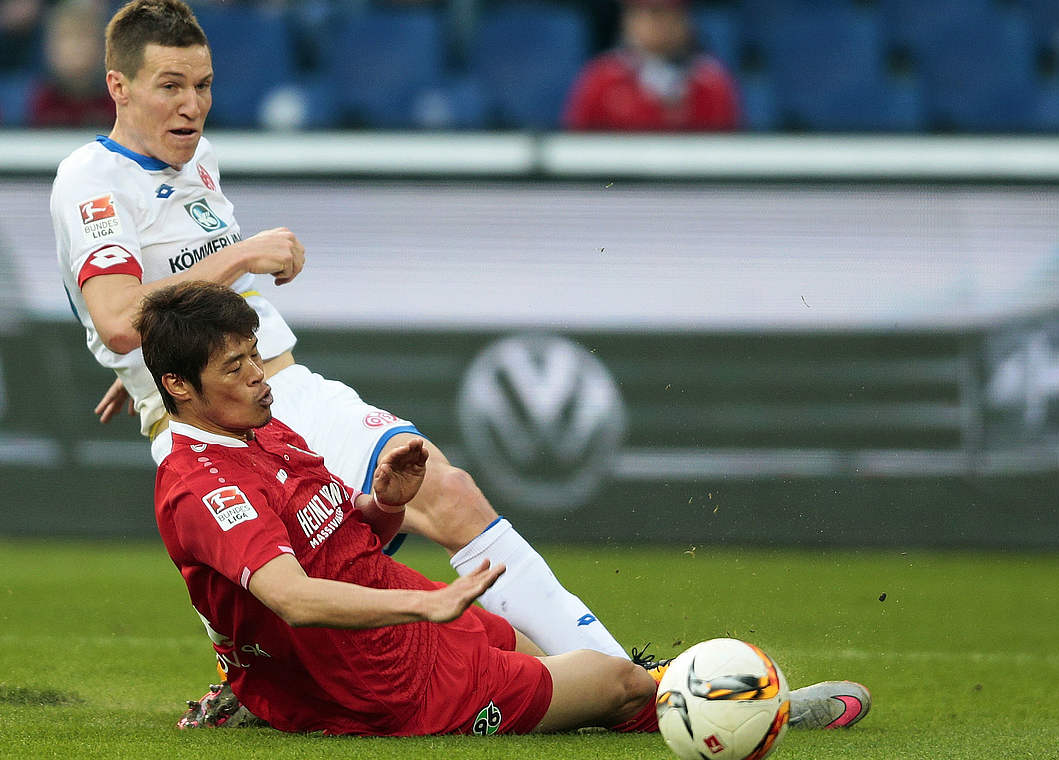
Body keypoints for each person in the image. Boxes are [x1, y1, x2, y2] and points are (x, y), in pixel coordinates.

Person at [51, 0, 630, 724]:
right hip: (224, 420)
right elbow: (116, 314)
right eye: (170, 85)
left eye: (202, 84)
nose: (192, 104)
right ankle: (636, 684)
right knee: (315, 572)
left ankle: (616, 672)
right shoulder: (90, 180)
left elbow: (145, 303)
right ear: (119, 87)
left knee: (443, 492)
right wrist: (240, 257)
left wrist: (130, 366)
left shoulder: (194, 158)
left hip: (276, 388)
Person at [140, 280, 871, 736]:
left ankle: (694, 701)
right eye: (235, 369)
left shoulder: (262, 425)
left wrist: (386, 506)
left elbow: (339, 533)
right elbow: (293, 598)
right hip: (382, 681)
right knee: (610, 683)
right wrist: (426, 611)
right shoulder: (204, 486)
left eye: (255, 357)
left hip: (398, 621)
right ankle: (745, 710)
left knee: (562, 660)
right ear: (178, 387)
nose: (261, 380)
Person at [563, 0, 740, 131]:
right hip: (616, 180)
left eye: (669, 14)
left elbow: (727, 153)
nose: (659, 26)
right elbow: (575, 147)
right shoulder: (601, 78)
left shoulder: (712, 82)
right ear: (628, 20)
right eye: (647, 14)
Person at [27, 0, 114, 128]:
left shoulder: (118, 101)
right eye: (66, 37)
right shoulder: (38, 100)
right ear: (48, 47)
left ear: (104, 46)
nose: (75, 47)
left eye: (84, 36)